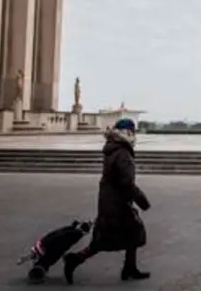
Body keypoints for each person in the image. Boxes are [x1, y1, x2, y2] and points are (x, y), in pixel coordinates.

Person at [63, 118, 151, 284]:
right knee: (111, 238)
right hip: (117, 203)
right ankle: (75, 259)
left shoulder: (114, 149)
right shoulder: (122, 152)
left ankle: (129, 268)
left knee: (131, 232)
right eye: (133, 131)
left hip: (110, 200)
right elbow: (126, 182)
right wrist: (142, 200)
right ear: (128, 133)